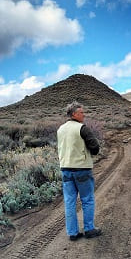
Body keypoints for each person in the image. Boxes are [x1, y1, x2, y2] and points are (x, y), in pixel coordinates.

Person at [56, 101, 103, 241]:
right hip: (81, 169)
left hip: (65, 169)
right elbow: (95, 148)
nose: (84, 114)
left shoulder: (60, 129)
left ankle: (73, 233)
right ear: (74, 114)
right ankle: (89, 229)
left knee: (69, 201)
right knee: (87, 200)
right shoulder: (82, 128)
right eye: (82, 112)